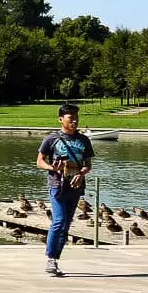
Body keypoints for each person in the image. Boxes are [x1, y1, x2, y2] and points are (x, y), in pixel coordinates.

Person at [36, 103, 93, 277]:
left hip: (75, 186)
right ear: (61, 119)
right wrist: (53, 168)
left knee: (66, 224)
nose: (75, 121)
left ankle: (55, 260)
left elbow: (88, 165)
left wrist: (81, 174)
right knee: (59, 221)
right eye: (71, 118)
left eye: (76, 117)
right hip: (57, 186)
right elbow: (40, 161)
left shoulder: (84, 140)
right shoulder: (51, 139)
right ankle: (51, 258)